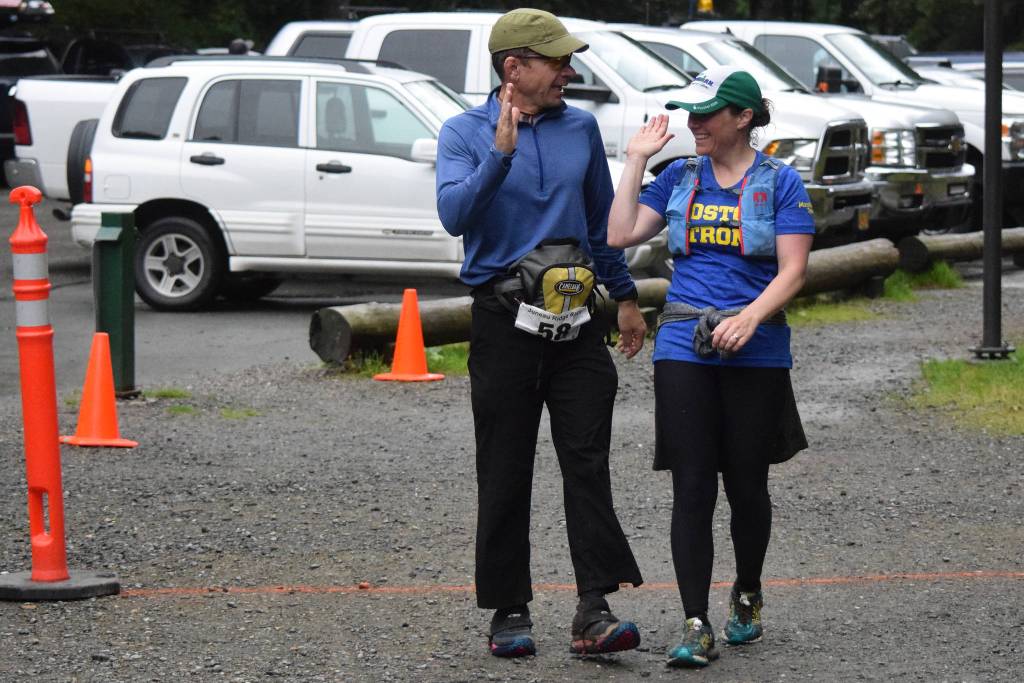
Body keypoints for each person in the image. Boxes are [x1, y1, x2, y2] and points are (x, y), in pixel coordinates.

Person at [436, 7, 647, 659]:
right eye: (556, 61)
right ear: (513, 67)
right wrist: (497, 157)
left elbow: (597, 223)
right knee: (504, 466)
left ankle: (594, 609)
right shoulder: (462, 132)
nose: (569, 71)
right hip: (504, 323)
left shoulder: (579, 128)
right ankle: (508, 609)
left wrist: (629, 297)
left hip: (578, 321)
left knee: (587, 459)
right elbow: (453, 215)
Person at [607, 65, 814, 668]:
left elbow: (793, 271)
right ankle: (695, 621)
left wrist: (750, 318)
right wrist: (636, 161)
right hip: (683, 342)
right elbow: (619, 233)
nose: (693, 124)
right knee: (691, 484)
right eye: (690, 114)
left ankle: (747, 589)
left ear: (743, 117)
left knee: (746, 483)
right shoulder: (677, 175)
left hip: (758, 346)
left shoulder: (781, 183)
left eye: (706, 114)